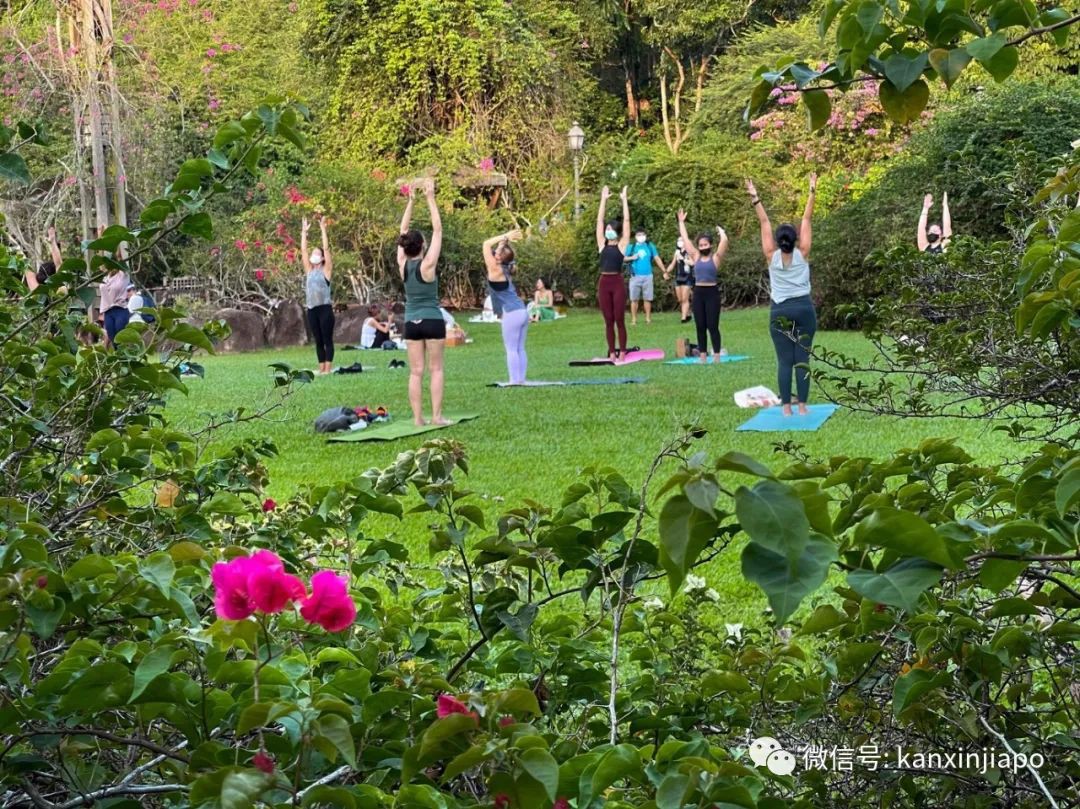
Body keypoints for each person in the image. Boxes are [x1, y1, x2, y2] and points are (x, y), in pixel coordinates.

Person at [746, 173, 818, 416]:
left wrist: (756, 198)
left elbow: (764, 223)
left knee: (785, 360)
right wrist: (811, 191)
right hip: (804, 309)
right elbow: (807, 218)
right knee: (802, 360)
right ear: (795, 240)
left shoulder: (770, 254)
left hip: (780, 310)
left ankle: (786, 408)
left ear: (778, 242)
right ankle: (803, 406)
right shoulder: (803, 252)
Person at [398, 179, 449, 426]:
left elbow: (402, 231)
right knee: (436, 369)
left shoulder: (402, 265)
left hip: (411, 322)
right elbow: (438, 230)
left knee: (415, 372)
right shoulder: (427, 265)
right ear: (422, 246)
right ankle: (436, 416)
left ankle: (418, 419)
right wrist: (430, 198)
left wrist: (410, 202)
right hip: (431, 320)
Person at [676, 211, 729, 363]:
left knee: (713, 326)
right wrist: (681, 222)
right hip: (699, 293)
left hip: (712, 293)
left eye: (705, 244)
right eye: (701, 245)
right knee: (700, 326)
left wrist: (722, 233)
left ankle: (717, 355)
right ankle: (703, 356)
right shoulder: (696, 256)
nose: (703, 246)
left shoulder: (716, 258)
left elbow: (724, 244)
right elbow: (686, 240)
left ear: (710, 245)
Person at [483, 228, 529, 385]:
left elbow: (485, 244)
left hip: (512, 313)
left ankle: (514, 380)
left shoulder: (495, 269)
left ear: (499, 257)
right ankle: (520, 379)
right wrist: (505, 241)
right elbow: (497, 250)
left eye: (497, 252)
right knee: (520, 348)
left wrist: (504, 237)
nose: (494, 253)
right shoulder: (505, 268)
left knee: (511, 348)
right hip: (522, 310)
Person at [595, 185, 630, 361]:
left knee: (619, 319)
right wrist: (604, 199)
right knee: (608, 320)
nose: (607, 230)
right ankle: (611, 351)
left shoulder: (622, 245)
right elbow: (599, 222)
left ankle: (622, 351)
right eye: (606, 228)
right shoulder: (602, 244)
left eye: (610, 228)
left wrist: (624, 200)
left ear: (616, 232)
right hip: (604, 283)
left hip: (617, 283)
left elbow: (626, 222)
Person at [302, 215, 334, 374]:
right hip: (312, 310)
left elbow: (326, 249)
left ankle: (328, 369)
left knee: (327, 340)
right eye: (312, 253)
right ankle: (321, 368)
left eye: (317, 253)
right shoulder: (309, 270)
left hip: (325, 309)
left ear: (321, 258)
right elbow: (303, 250)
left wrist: (323, 229)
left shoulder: (326, 271)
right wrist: (304, 233)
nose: (313, 255)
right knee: (318, 341)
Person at [625, 227, 665, 325]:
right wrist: (632, 257)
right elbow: (624, 258)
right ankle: (634, 320)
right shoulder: (631, 247)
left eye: (643, 235)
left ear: (646, 236)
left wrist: (664, 270)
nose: (641, 237)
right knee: (634, 299)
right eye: (639, 235)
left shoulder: (650, 246)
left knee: (648, 298)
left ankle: (648, 319)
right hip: (635, 276)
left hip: (648, 276)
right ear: (635, 236)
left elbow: (656, 258)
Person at [664, 236, 694, 323]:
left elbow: (693, 263)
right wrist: (666, 272)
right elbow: (672, 264)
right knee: (680, 299)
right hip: (678, 277)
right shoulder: (676, 252)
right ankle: (688, 314)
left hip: (687, 277)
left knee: (685, 298)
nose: (680, 242)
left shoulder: (689, 252)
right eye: (678, 240)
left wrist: (684, 259)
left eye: (681, 240)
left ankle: (683, 318)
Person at [24, 226, 63, 292]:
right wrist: (53, 242)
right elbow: (59, 265)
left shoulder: (37, 293)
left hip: (41, 289)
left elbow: (29, 275)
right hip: (57, 290)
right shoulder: (61, 290)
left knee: (29, 274)